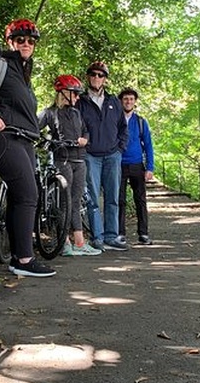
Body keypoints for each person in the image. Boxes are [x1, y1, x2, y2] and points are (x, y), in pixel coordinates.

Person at [0, 19, 56, 277]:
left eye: (31, 40)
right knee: (28, 194)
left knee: (18, 196)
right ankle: (24, 259)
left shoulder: (24, 73)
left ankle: (16, 256)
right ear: (10, 41)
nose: (26, 44)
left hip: (25, 139)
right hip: (6, 138)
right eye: (20, 39)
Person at [37, 75, 101, 256]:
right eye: (75, 94)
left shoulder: (76, 113)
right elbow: (35, 127)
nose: (77, 97)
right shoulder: (49, 113)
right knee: (64, 202)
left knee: (75, 201)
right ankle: (64, 243)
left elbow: (86, 131)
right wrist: (47, 140)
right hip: (62, 160)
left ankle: (80, 242)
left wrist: (84, 139)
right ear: (64, 93)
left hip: (80, 161)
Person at [76, 61, 129, 251]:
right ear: (88, 76)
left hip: (112, 155)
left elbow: (124, 128)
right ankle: (97, 237)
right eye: (93, 74)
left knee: (113, 197)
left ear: (105, 79)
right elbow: (76, 127)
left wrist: (120, 149)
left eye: (100, 75)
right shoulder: (80, 102)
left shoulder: (114, 101)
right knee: (92, 198)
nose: (96, 78)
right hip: (91, 156)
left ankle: (111, 236)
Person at [118, 87, 155, 245]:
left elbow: (148, 145)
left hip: (137, 164)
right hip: (118, 164)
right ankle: (120, 233)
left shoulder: (141, 122)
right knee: (119, 200)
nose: (128, 102)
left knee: (140, 199)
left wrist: (150, 167)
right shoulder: (114, 120)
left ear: (135, 102)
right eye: (126, 99)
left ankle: (143, 233)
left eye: (131, 99)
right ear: (121, 101)